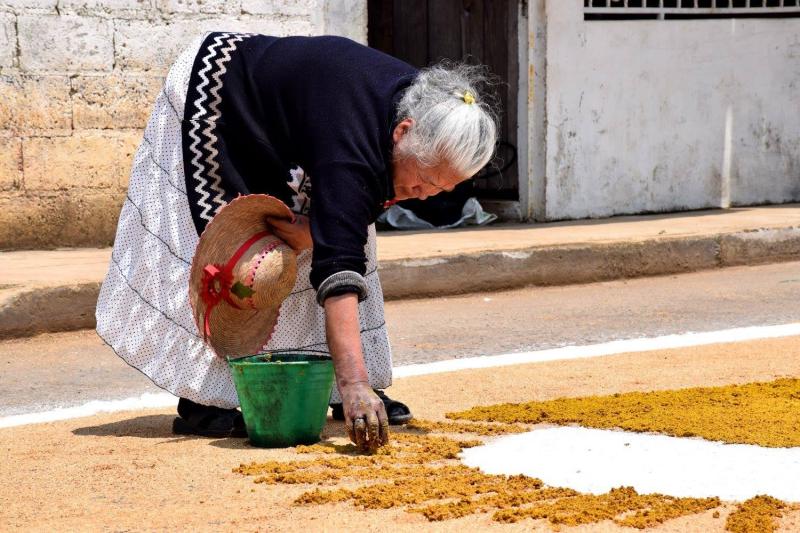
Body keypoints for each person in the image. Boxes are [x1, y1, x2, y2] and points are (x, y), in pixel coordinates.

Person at [95, 31, 499, 450]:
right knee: (238, 255)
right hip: (220, 97)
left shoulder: (429, 109)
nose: (425, 194)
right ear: (402, 131)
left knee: (332, 237)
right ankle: (206, 399)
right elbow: (339, 267)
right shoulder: (353, 144)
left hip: (302, 123)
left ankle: (346, 391)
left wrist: (317, 230)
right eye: (426, 180)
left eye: (442, 188)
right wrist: (352, 381)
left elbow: (355, 215)